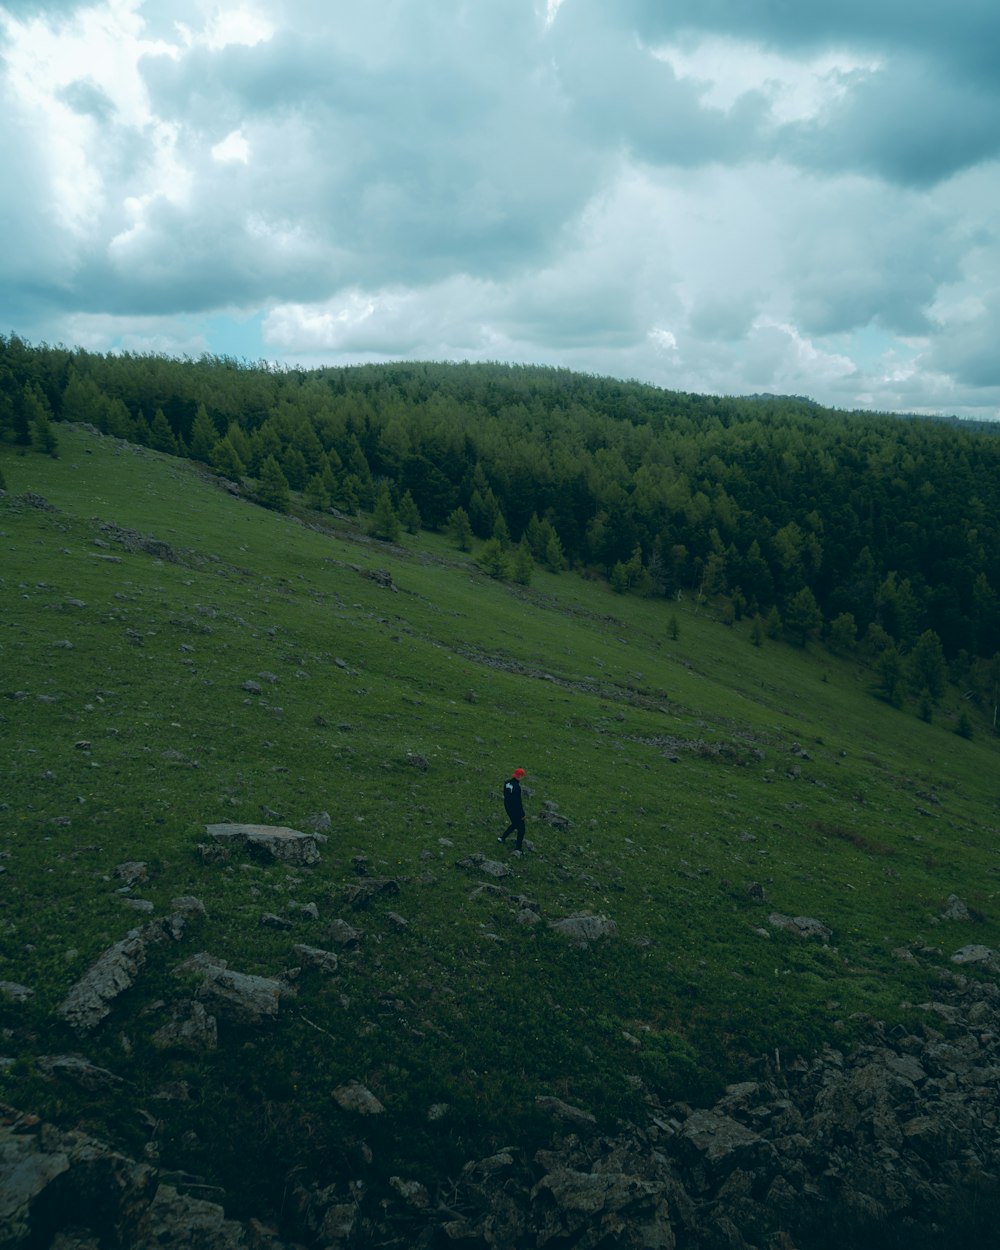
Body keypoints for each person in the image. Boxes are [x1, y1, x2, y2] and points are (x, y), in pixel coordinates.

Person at [498, 767, 527, 851]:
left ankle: (502, 837)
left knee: (515, 823)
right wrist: (522, 814)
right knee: (522, 828)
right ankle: (518, 848)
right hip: (515, 809)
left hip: (507, 806)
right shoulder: (517, 787)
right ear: (520, 776)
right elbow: (518, 801)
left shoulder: (507, 783)